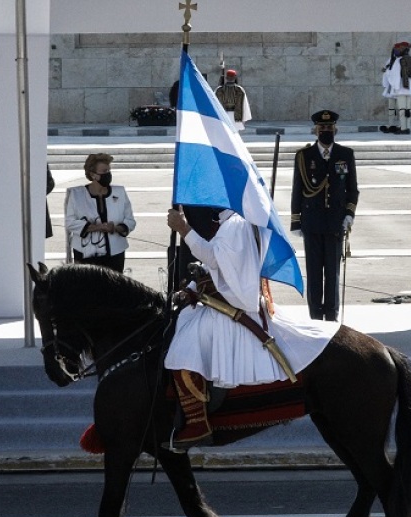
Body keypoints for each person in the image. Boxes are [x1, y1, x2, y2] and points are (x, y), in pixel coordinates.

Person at [164, 206, 337, 450]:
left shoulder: (236, 226)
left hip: (236, 309)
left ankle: (197, 423)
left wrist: (184, 229)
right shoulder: (231, 224)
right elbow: (219, 267)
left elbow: (212, 257)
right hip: (228, 301)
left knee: (185, 347)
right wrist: (192, 287)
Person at [290, 110, 359, 321]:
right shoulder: (304, 156)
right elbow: (297, 188)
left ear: (335, 130)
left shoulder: (345, 154)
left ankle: (331, 315)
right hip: (312, 222)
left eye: (329, 128)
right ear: (315, 130)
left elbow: (352, 189)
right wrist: (296, 220)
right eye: (322, 128)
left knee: (332, 272)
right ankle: (315, 315)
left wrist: (349, 215)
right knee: (313, 273)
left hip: (335, 223)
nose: (326, 131)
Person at [64, 153, 136, 272]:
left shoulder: (120, 192)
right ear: (93, 175)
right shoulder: (77, 195)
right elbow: (70, 222)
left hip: (115, 254)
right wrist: (96, 227)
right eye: (104, 171)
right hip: (85, 254)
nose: (108, 174)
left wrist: (115, 228)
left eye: (109, 170)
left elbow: (130, 221)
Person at [379, 41, 411, 134]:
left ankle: (404, 128)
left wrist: (387, 73)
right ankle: (403, 126)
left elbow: (394, 75)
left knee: (401, 109)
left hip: (399, 86)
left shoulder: (397, 61)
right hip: (408, 86)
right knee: (406, 109)